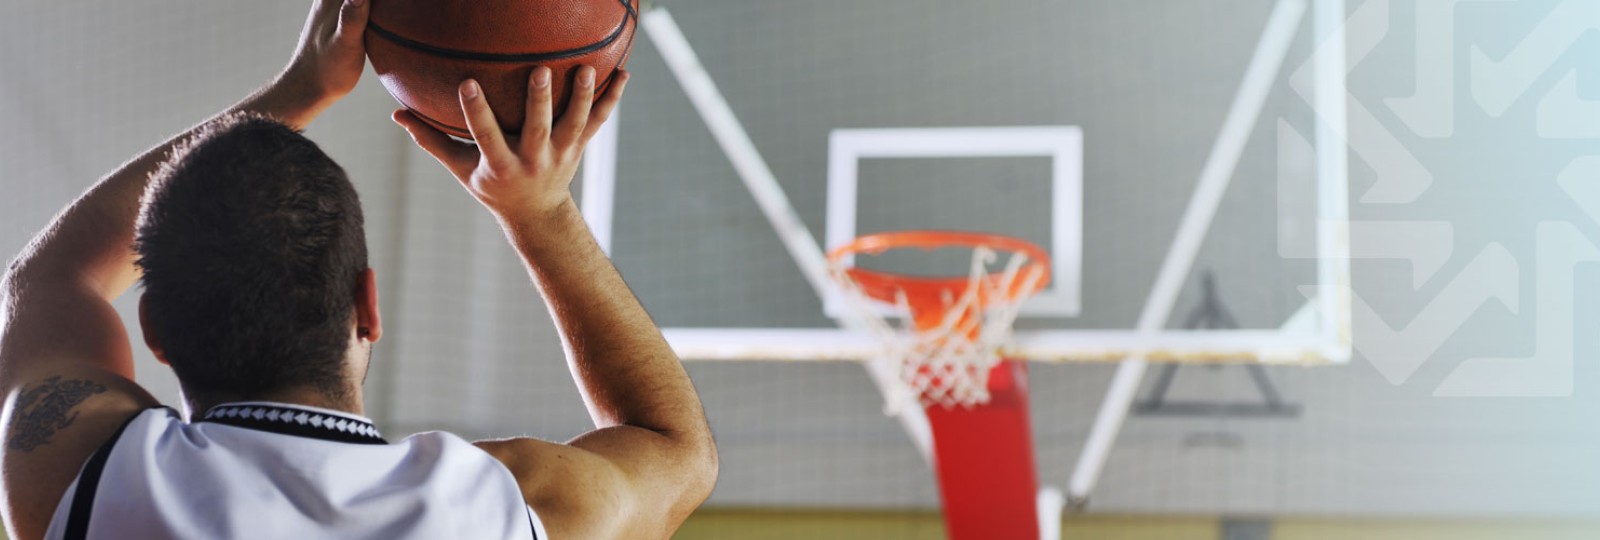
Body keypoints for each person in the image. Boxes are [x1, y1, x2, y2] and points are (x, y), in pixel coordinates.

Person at [0, 0, 717, 538]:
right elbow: (676, 451)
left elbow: (52, 277)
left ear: (154, 329)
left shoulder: (92, 474)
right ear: (368, 306)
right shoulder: (496, 509)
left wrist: (298, 90)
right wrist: (540, 211)